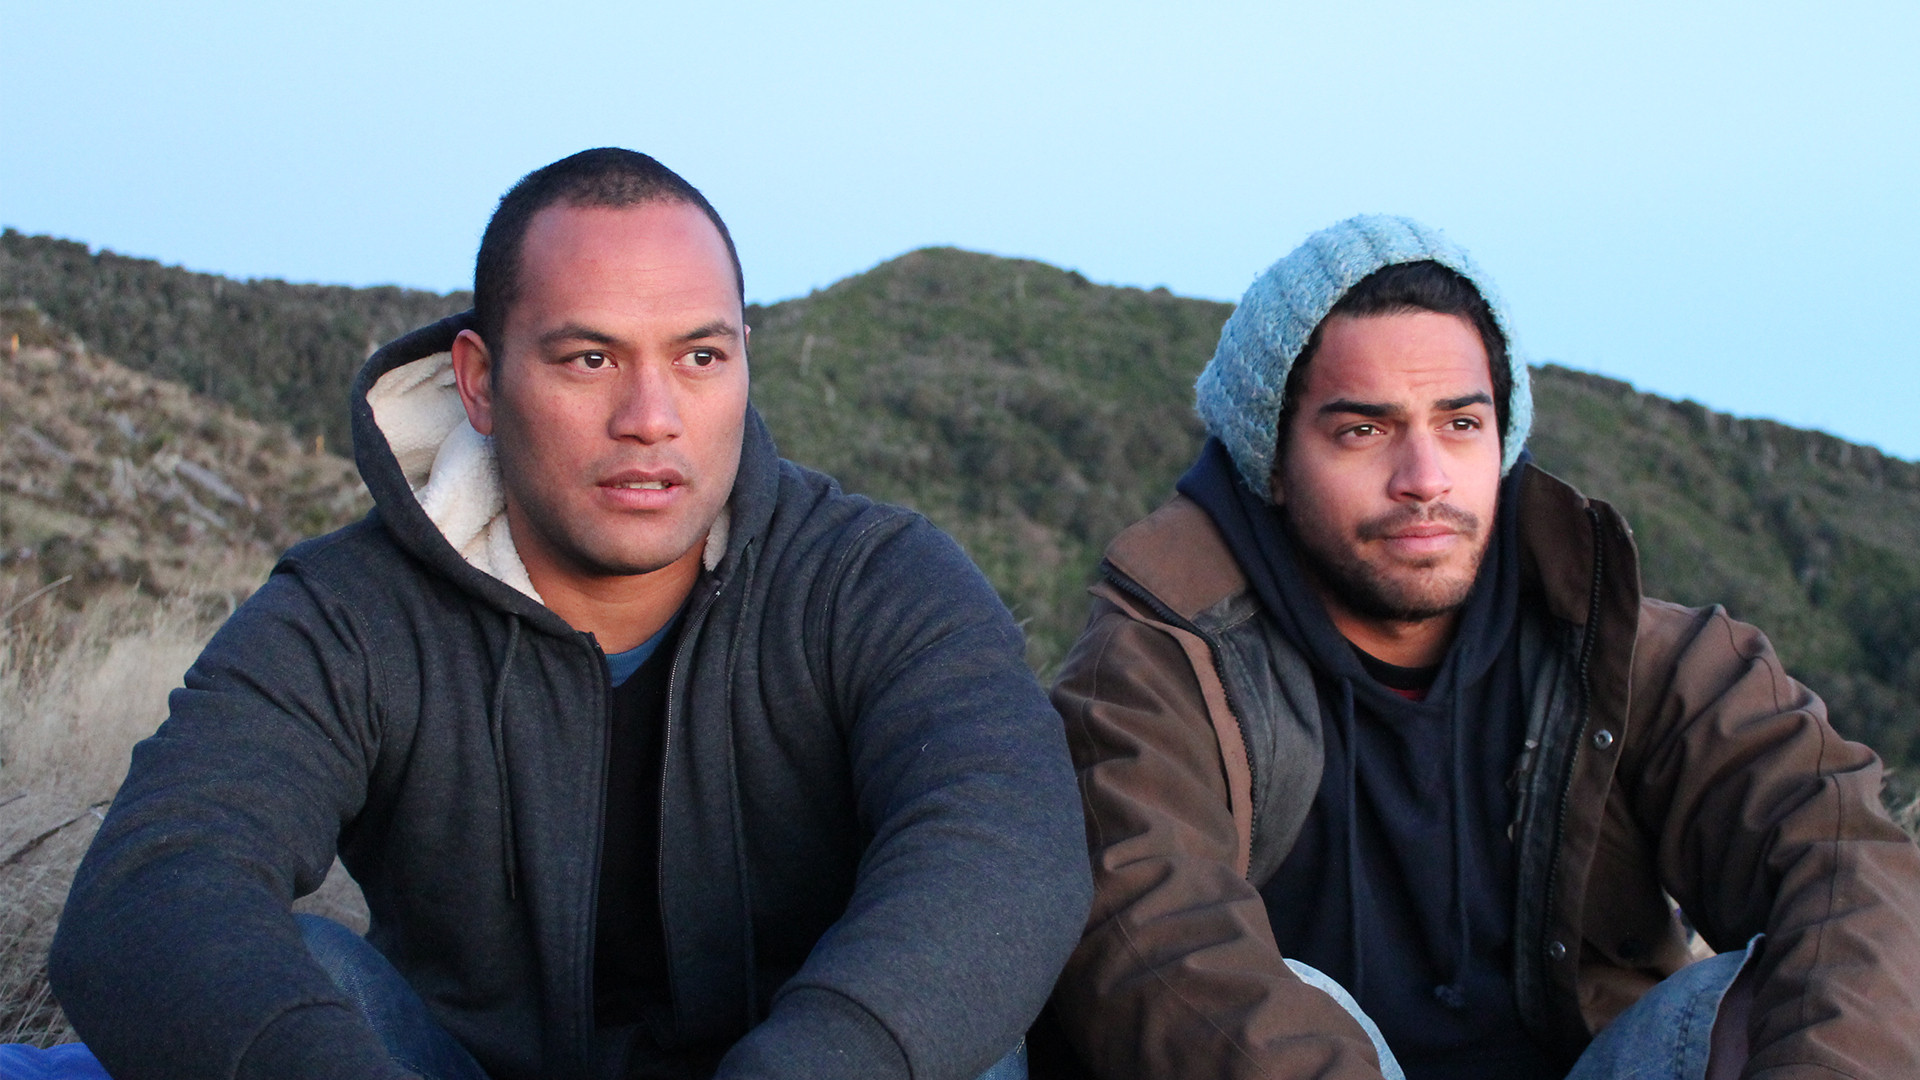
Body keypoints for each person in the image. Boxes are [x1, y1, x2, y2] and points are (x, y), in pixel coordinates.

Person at [48, 148, 1092, 1080]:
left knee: (959, 1034)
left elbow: (1006, 846)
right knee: (311, 977)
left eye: (700, 357)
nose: (651, 418)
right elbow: (153, 886)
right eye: (590, 359)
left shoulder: (874, 580)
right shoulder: (352, 614)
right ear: (480, 382)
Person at [1045, 215, 1920, 1079]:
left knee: (1765, 999)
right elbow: (1156, 937)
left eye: (1461, 424)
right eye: (1364, 431)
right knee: (1300, 990)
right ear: (1270, 461)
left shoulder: (1641, 657)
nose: (1425, 479)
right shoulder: (1162, 666)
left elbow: (1846, 859)